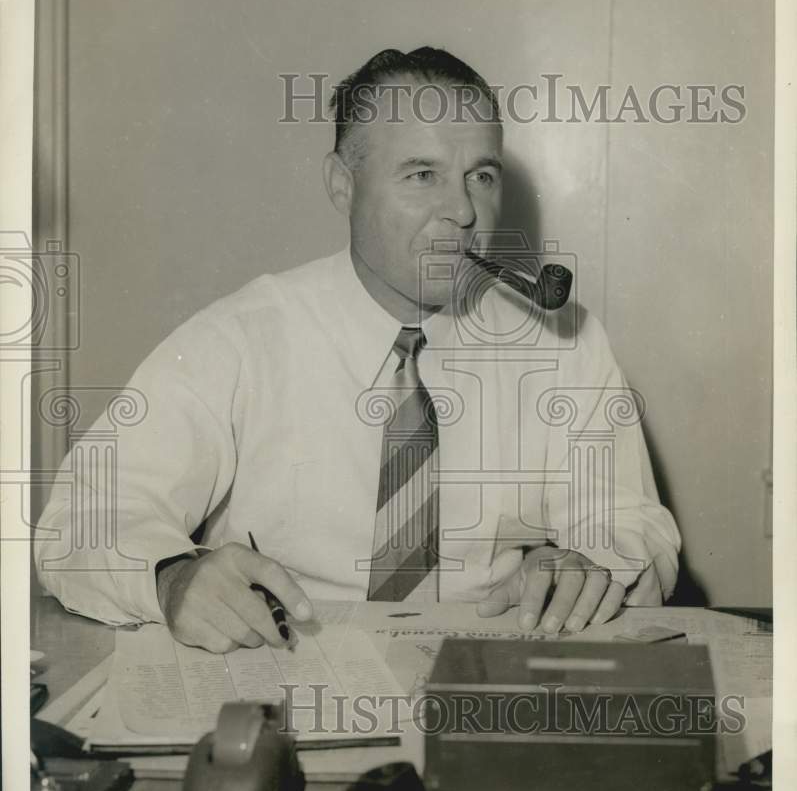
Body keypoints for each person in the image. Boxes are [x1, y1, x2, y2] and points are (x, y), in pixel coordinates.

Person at [35, 47, 680, 654]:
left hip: (487, 675)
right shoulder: (239, 339)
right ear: (342, 185)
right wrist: (172, 578)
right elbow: (80, 518)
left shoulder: (565, 343)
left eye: (480, 176)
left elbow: (631, 521)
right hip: (281, 674)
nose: (461, 210)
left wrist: (592, 567)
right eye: (421, 174)